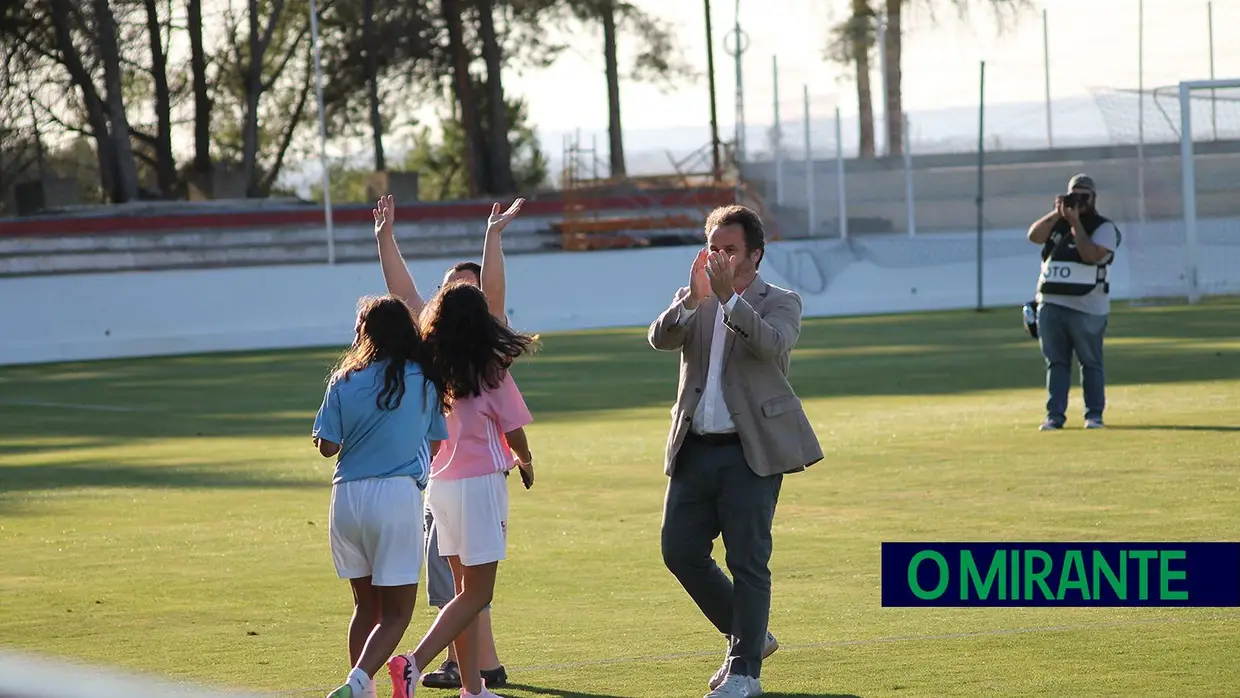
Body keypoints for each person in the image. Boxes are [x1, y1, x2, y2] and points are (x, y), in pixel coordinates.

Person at [648, 204, 823, 698]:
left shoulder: (780, 301)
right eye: (713, 249)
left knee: (748, 559)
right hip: (695, 447)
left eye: (730, 250)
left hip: (753, 450)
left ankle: (745, 671)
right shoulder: (697, 296)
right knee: (679, 550)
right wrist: (690, 302)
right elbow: (659, 338)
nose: (720, 258)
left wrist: (729, 301)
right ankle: (749, 636)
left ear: (756, 255)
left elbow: (771, 346)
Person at [373, 195, 522, 690]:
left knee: (464, 586)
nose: (465, 294)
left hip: (452, 475)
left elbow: (491, 297)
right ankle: (454, 669)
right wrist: (385, 241)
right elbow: (406, 292)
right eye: (457, 286)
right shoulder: (435, 337)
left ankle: (474, 678)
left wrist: (493, 237)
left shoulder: (471, 341)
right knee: (468, 587)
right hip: (465, 477)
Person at [387, 280, 537, 698]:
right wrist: (526, 461)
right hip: (481, 485)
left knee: (461, 593)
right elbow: (514, 431)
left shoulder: (431, 370)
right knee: (477, 593)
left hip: (441, 486)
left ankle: (473, 689)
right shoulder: (491, 370)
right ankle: (412, 663)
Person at [312, 295, 449, 698]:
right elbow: (437, 444)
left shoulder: (343, 379)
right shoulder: (423, 379)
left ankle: (362, 689)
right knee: (397, 613)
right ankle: (356, 683)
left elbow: (327, 447)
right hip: (395, 496)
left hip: (346, 498)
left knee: (364, 607)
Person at [1026, 174, 1121, 430]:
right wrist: (1058, 214)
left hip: (1087, 306)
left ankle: (1094, 415)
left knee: (1090, 362)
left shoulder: (1104, 228)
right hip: (1051, 303)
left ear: (1094, 198)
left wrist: (1076, 223)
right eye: (1073, 195)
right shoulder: (1058, 224)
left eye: (1084, 196)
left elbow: (1090, 255)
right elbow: (1034, 236)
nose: (1079, 201)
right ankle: (1054, 417)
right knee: (1055, 363)